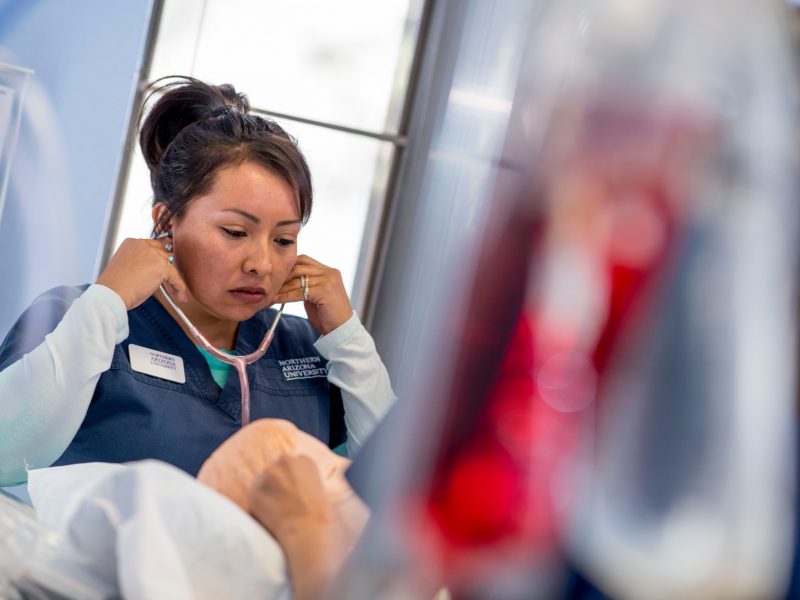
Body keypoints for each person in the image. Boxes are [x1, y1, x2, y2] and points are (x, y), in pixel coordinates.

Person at [0, 76, 395, 486]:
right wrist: (106, 302)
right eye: (235, 232)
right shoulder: (75, 318)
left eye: (284, 239)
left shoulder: (305, 349)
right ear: (166, 221)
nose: (261, 263)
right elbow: (5, 455)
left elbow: (390, 486)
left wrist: (349, 338)